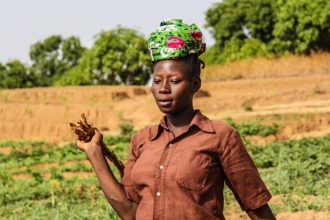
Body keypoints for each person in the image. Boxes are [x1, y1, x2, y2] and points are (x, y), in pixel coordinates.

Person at [76, 19, 276, 220]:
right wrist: (94, 153)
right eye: (157, 81)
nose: (163, 89)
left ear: (195, 83)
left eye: (174, 81)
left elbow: (256, 206)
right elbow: (129, 213)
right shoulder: (142, 140)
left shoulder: (221, 137)